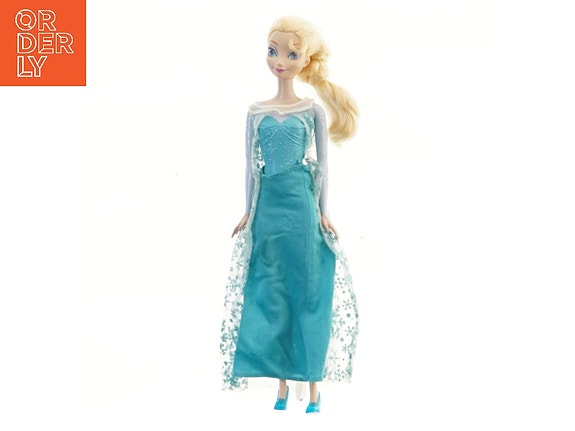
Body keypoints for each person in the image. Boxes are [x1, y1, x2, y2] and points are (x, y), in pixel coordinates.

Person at [220, 16, 359, 414]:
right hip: (267, 210)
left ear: (306, 60)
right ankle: (281, 386)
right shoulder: (256, 111)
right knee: (271, 293)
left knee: (309, 291)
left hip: (301, 207)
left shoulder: (311, 110)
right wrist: (247, 211)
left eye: (291, 54)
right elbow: (250, 167)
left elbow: (323, 166)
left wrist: (323, 212)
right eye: (273, 51)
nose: (280, 61)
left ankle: (313, 388)